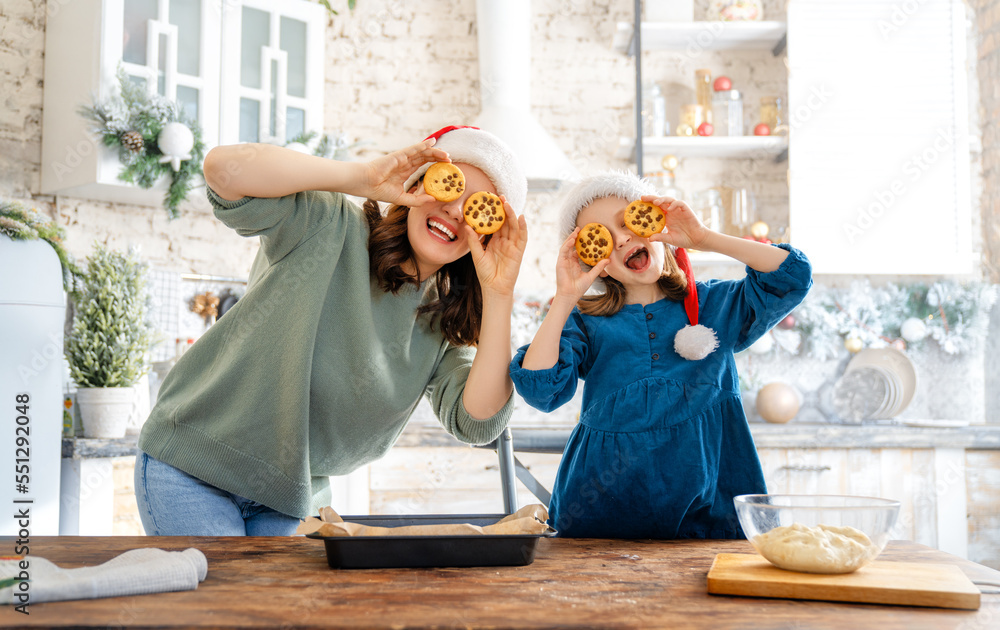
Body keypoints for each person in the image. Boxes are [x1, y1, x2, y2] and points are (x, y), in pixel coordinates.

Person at [135, 126, 529, 535]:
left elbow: (479, 420)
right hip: (195, 467)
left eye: (477, 207)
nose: (455, 211)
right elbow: (222, 170)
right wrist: (361, 179)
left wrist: (499, 293)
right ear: (418, 182)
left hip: (290, 500)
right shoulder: (329, 224)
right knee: (217, 600)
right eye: (450, 188)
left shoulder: (445, 324)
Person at [509, 171, 812, 539]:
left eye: (629, 222)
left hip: (713, 514)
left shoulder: (715, 306)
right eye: (602, 238)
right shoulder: (585, 322)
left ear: (656, 224)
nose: (622, 238)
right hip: (599, 518)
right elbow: (540, 390)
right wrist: (566, 296)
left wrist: (704, 238)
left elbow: (791, 276)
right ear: (593, 259)